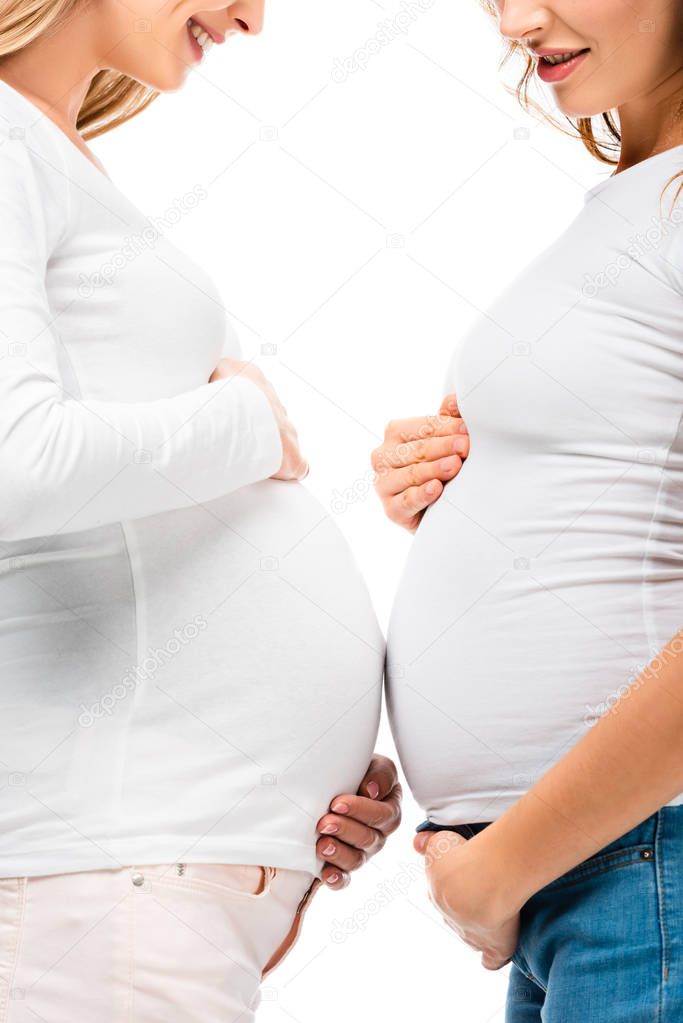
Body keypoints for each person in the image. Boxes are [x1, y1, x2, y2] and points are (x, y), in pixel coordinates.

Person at [0, 1, 401, 1019]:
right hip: (108, 880)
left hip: (144, 882)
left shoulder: (45, 146)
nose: (251, 16)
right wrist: (245, 422)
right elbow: (16, 467)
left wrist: (279, 798)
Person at [374, 0, 683, 1018]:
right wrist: (463, 490)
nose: (514, 20)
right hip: (593, 876)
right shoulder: (634, 202)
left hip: (636, 863)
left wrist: (503, 867)